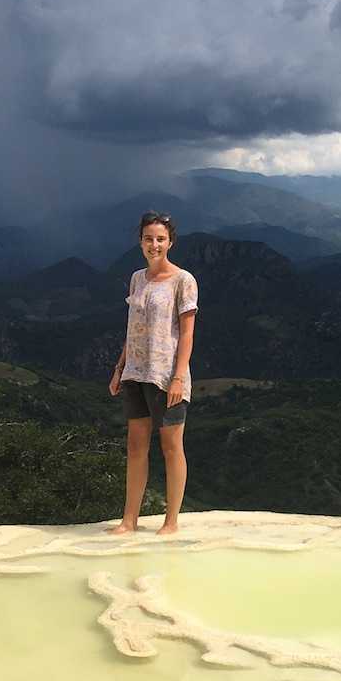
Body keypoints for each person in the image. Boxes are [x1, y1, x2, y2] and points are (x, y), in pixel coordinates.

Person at [108, 210, 199, 535]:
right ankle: (129, 520)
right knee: (135, 446)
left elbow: (187, 333)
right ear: (140, 242)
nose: (154, 244)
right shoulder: (137, 278)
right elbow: (133, 328)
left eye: (160, 239)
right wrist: (119, 368)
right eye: (149, 238)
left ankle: (171, 522)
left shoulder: (183, 280)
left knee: (171, 446)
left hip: (166, 376)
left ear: (170, 242)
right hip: (135, 373)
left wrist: (178, 376)